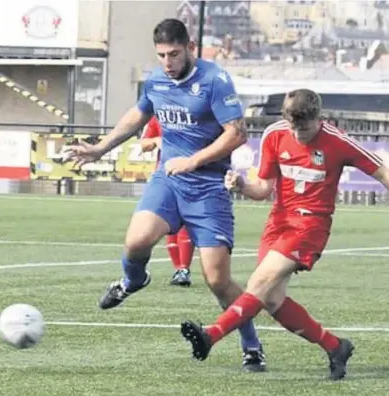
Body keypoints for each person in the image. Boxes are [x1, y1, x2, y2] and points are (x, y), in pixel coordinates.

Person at [67, 18, 266, 372]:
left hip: (208, 188)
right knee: (136, 240)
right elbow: (138, 115)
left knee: (218, 280)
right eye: (161, 55)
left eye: (174, 54)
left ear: (190, 48)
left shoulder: (214, 80)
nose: (167, 62)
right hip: (169, 181)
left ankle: (252, 345)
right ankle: (133, 279)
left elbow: (236, 133)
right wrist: (100, 149)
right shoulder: (158, 79)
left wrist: (194, 160)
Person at [180, 88, 389, 380]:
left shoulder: (339, 142)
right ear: (285, 119)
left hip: (311, 225)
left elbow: (382, 172)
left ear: (320, 118)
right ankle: (335, 346)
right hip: (278, 222)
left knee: (259, 282)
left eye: (304, 128)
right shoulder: (275, 135)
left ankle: (210, 335)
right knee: (271, 299)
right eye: (293, 126)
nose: (299, 133)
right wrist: (241, 185)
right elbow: (263, 189)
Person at [141, 116, 194, 287]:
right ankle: (179, 268)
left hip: (191, 174)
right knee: (169, 222)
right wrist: (157, 140)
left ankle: (184, 269)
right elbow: (144, 144)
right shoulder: (158, 116)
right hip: (165, 175)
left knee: (186, 223)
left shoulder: (192, 113)